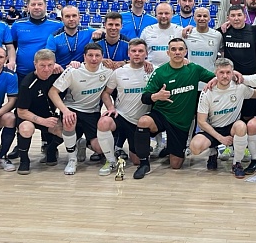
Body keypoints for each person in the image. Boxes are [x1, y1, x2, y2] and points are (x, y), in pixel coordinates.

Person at [132, 38, 215, 177]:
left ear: (186, 52)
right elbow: (145, 97)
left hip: (181, 122)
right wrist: (156, 96)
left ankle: (170, 149)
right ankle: (144, 164)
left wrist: (234, 74)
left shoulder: (194, 69)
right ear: (168, 52)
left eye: (180, 49)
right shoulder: (160, 72)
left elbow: (217, 78)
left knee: (176, 165)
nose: (177, 52)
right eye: (173, 49)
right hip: (162, 114)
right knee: (144, 121)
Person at [48, 43, 112, 176]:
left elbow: (129, 64)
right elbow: (52, 92)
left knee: (99, 148)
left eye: (97, 55)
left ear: (102, 57)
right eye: (90, 55)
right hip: (72, 108)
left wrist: (146, 62)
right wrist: (65, 111)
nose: (94, 59)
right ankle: (72, 160)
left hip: (92, 112)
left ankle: (82, 143)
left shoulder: (107, 71)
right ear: (84, 57)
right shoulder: (73, 71)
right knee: (69, 122)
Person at [189, 58, 256, 177]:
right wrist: (221, 138)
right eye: (221, 72)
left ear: (233, 73)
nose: (225, 76)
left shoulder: (240, 87)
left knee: (241, 126)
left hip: (231, 127)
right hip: (213, 129)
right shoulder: (207, 92)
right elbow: (201, 122)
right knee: (195, 147)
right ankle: (213, 152)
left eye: (228, 72)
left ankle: (236, 163)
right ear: (215, 73)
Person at [97, 39, 153, 172]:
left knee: (136, 161)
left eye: (140, 51)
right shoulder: (119, 72)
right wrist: (111, 108)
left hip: (141, 121)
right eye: (134, 51)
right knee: (104, 122)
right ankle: (110, 160)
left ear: (146, 53)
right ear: (128, 53)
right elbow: (106, 93)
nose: (137, 54)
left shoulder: (153, 71)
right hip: (122, 116)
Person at [15, 49, 65, 175]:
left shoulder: (58, 76)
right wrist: (43, 121)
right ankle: (24, 160)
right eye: (42, 65)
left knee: (66, 130)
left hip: (48, 115)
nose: (46, 69)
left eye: (50, 65)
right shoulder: (27, 84)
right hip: (29, 117)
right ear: (35, 64)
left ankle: (51, 150)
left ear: (55, 64)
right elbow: (21, 112)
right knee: (26, 129)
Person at [219, 4, 256, 127]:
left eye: (239, 15)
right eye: (233, 16)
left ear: (245, 17)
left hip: (251, 79)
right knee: (231, 113)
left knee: (249, 115)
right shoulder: (223, 31)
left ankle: (249, 137)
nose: (236, 18)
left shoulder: (255, 31)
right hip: (230, 79)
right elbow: (205, 32)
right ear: (228, 18)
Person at [11, 0, 63, 83]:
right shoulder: (17, 25)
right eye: (33, 4)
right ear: (28, 7)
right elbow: (12, 47)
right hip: (23, 74)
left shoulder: (58, 25)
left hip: (49, 74)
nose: (36, 7)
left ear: (45, 6)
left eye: (40, 4)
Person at [183, 7, 222, 80]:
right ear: (194, 18)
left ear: (209, 18)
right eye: (199, 16)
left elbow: (222, 53)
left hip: (210, 76)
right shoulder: (187, 34)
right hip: (192, 76)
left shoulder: (217, 35)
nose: (202, 18)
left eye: (205, 16)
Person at [140, 2, 182, 68]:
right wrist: (143, 61)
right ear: (155, 14)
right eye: (160, 13)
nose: (163, 16)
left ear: (172, 14)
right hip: (151, 71)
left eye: (166, 13)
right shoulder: (147, 31)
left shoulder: (180, 31)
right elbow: (139, 50)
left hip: (174, 71)